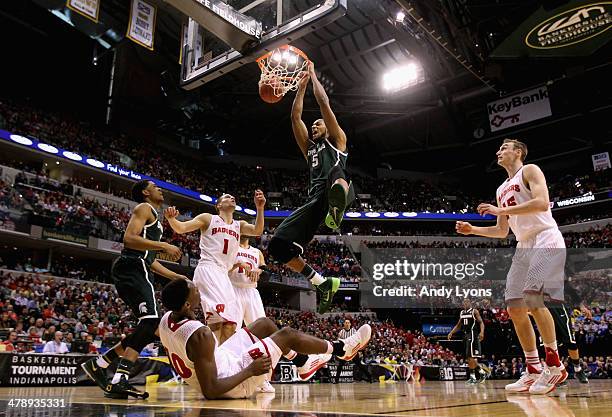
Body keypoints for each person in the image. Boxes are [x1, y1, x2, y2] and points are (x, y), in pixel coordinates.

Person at [456, 139, 567, 394]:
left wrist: (498, 209)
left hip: (545, 236)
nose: (498, 151)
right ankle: (533, 368)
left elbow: (541, 202)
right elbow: (502, 230)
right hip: (523, 244)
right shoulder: (500, 189)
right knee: (514, 307)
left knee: (532, 297)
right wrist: (473, 230)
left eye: (504, 148)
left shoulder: (530, 170)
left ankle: (555, 365)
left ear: (518, 152)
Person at [158, 278, 371, 399]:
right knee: (286, 334)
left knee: (265, 324)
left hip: (223, 360)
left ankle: (302, 364)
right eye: (194, 290)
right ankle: (341, 349)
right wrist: (250, 370)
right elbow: (211, 390)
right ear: (187, 305)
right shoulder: (199, 334)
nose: (198, 289)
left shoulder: (166, 319)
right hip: (232, 382)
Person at [81, 180, 187, 399]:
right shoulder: (144, 208)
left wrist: (175, 276)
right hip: (131, 266)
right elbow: (129, 239)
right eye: (155, 186)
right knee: (151, 323)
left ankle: (100, 365)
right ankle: (118, 377)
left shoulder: (154, 218)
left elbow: (150, 261)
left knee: (149, 326)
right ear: (145, 192)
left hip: (138, 266)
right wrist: (165, 246)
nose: (160, 189)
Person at [268, 61, 355, 314]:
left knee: (336, 173)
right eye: (314, 124)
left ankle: (337, 207)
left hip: (340, 188)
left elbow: (324, 104)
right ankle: (322, 283)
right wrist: (300, 88)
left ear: (330, 127)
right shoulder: (310, 150)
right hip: (315, 202)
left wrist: (314, 77)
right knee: (277, 246)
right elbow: (295, 117)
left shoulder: (338, 140)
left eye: (318, 123)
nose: (315, 125)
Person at [164, 191, 265, 344]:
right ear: (218, 205)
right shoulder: (208, 218)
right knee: (217, 323)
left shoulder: (239, 225)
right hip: (209, 269)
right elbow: (181, 228)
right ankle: (212, 358)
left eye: (233, 197)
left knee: (231, 325)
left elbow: (257, 231)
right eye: (227, 197)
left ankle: (223, 359)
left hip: (224, 276)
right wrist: (172, 219)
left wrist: (260, 208)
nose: (232, 197)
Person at [447, 299, 489, 384]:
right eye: (464, 302)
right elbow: (459, 325)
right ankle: (482, 372)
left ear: (470, 303)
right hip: (466, 335)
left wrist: (482, 332)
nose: (465, 303)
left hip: (473, 334)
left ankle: (474, 377)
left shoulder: (474, 311)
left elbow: (481, 322)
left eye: (467, 302)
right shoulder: (462, 313)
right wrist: (451, 332)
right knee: (469, 358)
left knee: (471, 357)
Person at [334, 319, 356, 383]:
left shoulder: (354, 331)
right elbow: (338, 340)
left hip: (352, 350)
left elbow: (356, 340)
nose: (346, 324)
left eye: (348, 323)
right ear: (344, 324)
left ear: (350, 324)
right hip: (344, 351)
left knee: (359, 364)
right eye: (345, 323)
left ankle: (369, 377)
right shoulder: (341, 332)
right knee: (340, 365)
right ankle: (336, 380)